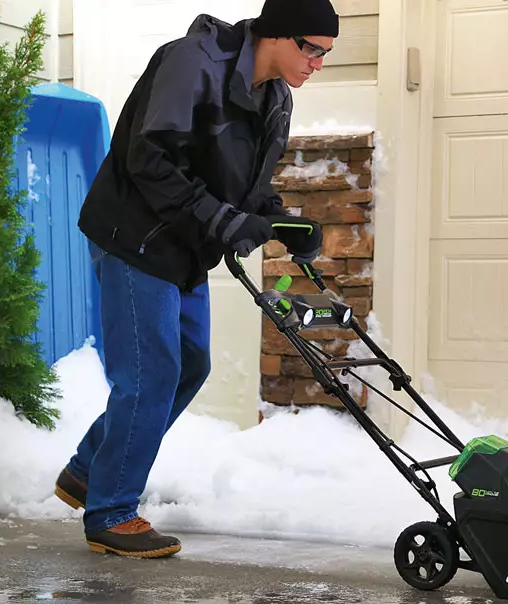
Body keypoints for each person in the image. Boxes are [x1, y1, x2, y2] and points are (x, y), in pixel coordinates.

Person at [52, 0, 339, 558]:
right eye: (312, 49)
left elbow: (250, 186)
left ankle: (88, 470)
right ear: (277, 34)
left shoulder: (275, 95)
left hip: (184, 243)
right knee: (152, 372)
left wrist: (280, 220)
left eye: (327, 54)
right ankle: (110, 511)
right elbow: (149, 159)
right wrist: (227, 222)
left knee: (189, 363)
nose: (318, 63)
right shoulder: (192, 63)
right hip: (136, 232)